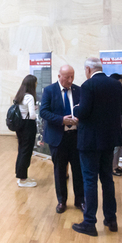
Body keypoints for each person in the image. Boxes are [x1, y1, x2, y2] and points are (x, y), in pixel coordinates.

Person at [72, 57, 122, 237]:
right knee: (107, 179)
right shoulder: (116, 85)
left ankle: (89, 222)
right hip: (109, 140)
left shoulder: (88, 86)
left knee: (90, 180)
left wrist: (76, 109)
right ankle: (111, 219)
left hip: (90, 141)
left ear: (88, 70)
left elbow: (83, 112)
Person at [40, 65, 84, 213]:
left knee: (78, 170)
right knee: (59, 171)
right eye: (67, 77)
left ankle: (80, 200)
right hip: (58, 138)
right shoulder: (49, 90)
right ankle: (61, 201)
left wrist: (80, 117)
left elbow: (84, 109)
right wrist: (61, 120)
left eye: (72, 76)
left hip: (76, 137)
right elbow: (43, 112)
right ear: (59, 76)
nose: (70, 80)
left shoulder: (79, 90)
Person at [13, 74, 38, 187]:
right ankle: (23, 179)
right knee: (26, 152)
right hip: (28, 126)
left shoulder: (20, 95)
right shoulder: (30, 97)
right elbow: (32, 115)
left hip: (20, 126)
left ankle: (21, 175)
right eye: (35, 83)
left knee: (22, 150)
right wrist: (35, 112)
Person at [109, 73, 122, 177]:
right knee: (115, 146)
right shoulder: (109, 92)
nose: (120, 84)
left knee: (118, 145)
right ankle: (112, 167)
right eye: (119, 82)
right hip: (112, 123)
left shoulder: (118, 91)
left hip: (119, 122)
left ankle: (116, 165)